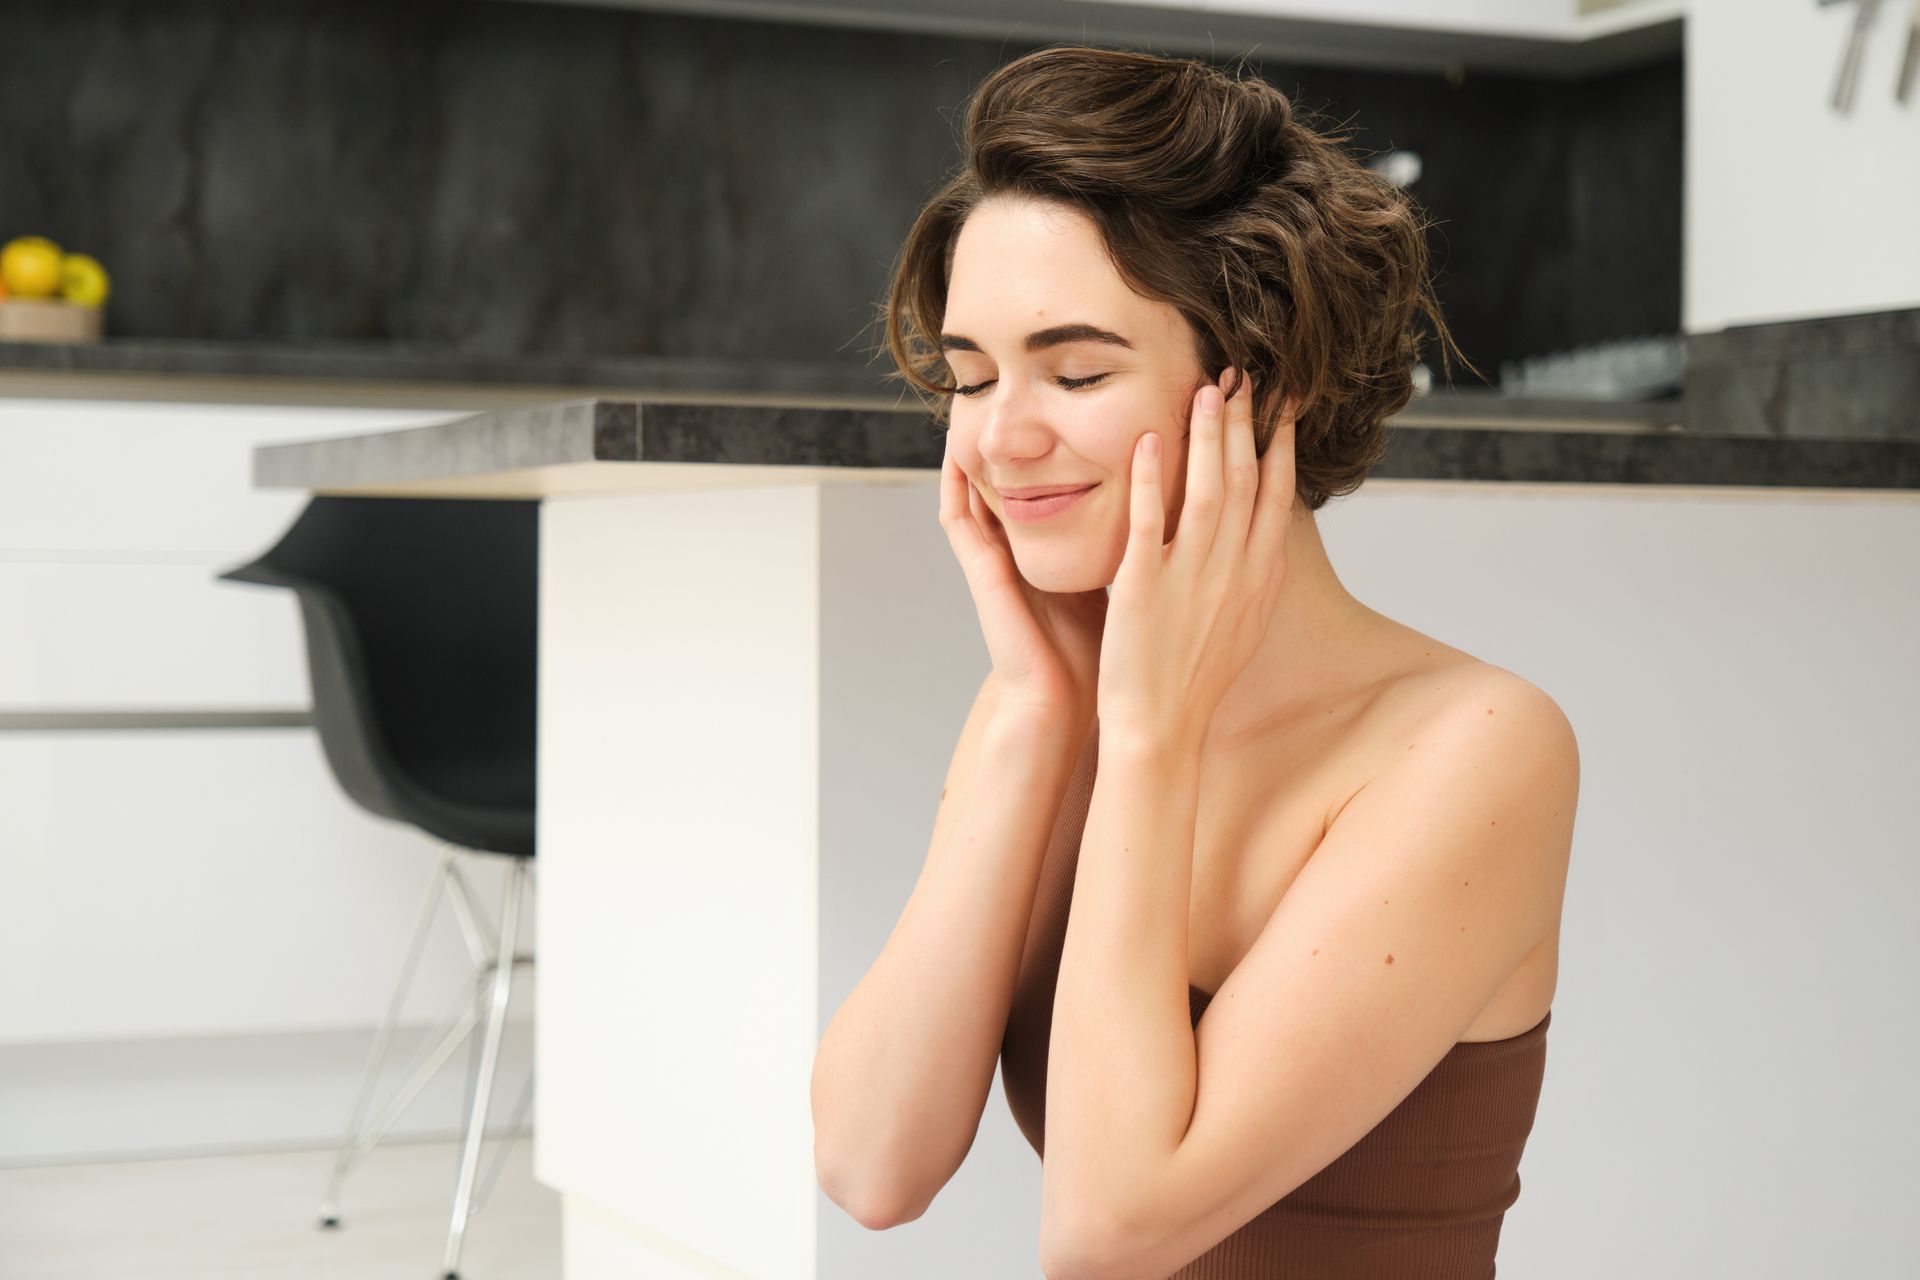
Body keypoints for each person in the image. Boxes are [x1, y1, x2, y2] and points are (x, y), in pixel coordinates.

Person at [812, 44, 1578, 1279]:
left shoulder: (1475, 746)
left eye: (1075, 370)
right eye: (970, 376)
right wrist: (1031, 712)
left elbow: (1109, 1231)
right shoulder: (1059, 710)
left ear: (1259, 379)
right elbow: (870, 1164)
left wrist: (1153, 738)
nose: (1003, 435)